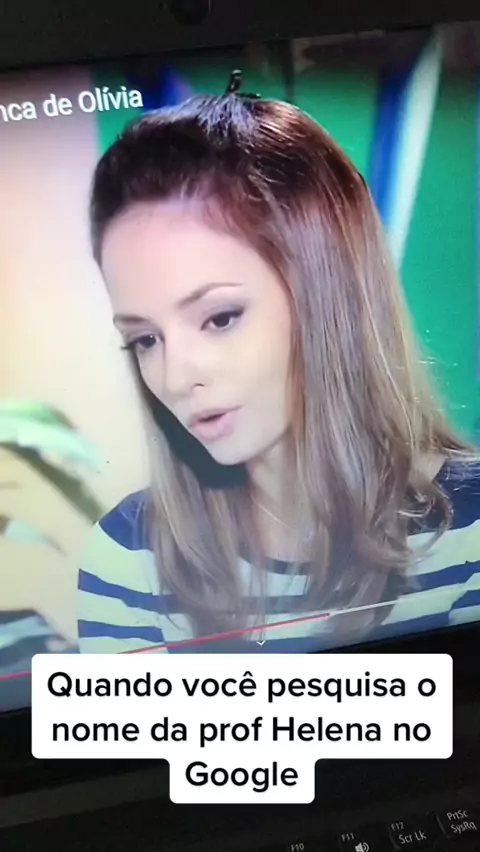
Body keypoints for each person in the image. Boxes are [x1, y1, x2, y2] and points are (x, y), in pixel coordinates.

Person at [77, 92, 480, 655]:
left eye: (220, 318)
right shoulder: (127, 559)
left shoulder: (469, 536)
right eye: (145, 339)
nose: (174, 378)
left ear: (326, 294)